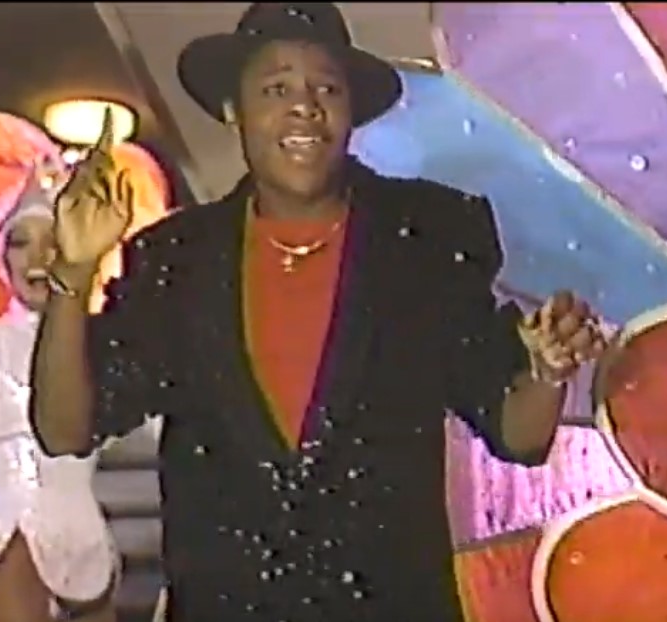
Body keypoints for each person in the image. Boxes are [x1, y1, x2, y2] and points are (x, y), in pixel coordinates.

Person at [30, 4, 607, 620]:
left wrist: (547, 371)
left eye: (326, 89)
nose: (304, 106)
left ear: (351, 111)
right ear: (233, 110)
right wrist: (74, 275)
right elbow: (64, 430)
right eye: (276, 88)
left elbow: (517, 434)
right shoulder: (176, 260)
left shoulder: (428, 237)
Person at [0, 165, 117, 622]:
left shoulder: (104, 345)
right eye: (20, 241)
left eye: (52, 240)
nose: (38, 256)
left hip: (87, 547)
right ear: (0, 256)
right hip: (7, 538)